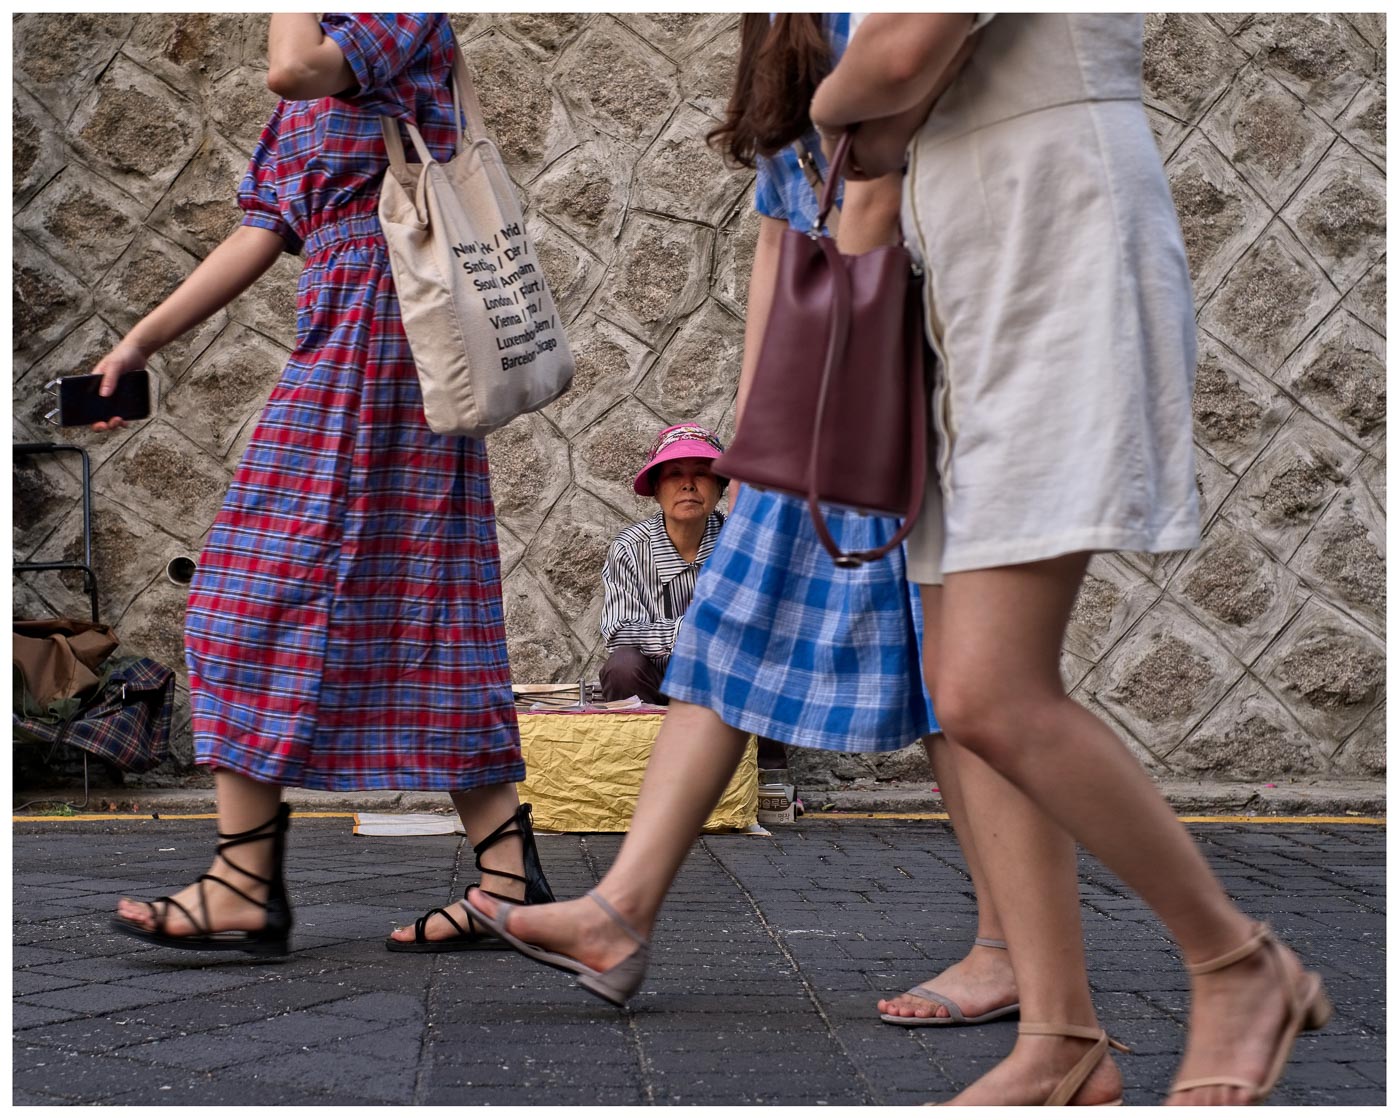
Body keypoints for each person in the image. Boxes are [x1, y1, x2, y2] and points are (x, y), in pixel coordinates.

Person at [464, 12, 1023, 1040]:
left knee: (961, 669)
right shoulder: (795, 21)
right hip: (829, 402)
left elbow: (911, 156)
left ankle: (1012, 944)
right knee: (725, 641)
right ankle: (620, 909)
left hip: (932, 368)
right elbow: (778, 225)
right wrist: (762, 427)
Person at [808, 12, 1330, 1106]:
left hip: (1051, 232)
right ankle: (1059, 1040)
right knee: (961, 689)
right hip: (972, 247)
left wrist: (828, 99)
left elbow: (892, 61)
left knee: (992, 685)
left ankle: (1238, 965)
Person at [103, 14, 552, 958]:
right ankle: (505, 874)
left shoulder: (395, 19)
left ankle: (245, 884)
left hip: (393, 343)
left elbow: (293, 69)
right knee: (422, 601)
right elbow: (262, 229)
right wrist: (142, 339)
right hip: (344, 343)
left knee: (246, 600)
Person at [598, 424, 728, 706]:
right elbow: (621, 631)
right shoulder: (630, 549)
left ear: (720, 487)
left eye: (702, 473)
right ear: (657, 489)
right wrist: (688, 630)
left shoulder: (742, 545)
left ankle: (754, 750)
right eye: (675, 473)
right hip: (654, 686)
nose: (688, 484)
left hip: (723, 685)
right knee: (623, 666)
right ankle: (636, 748)